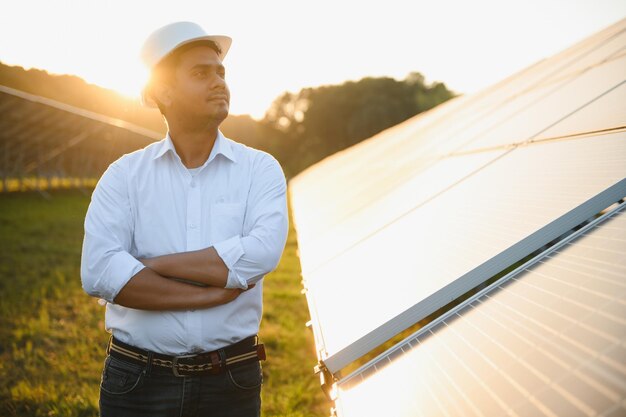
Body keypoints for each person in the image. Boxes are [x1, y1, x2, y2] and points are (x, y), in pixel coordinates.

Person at [80, 21, 289, 417]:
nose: (219, 81)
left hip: (231, 380)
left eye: (220, 71)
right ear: (163, 91)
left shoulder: (260, 169)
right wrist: (209, 294)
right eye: (201, 73)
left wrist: (146, 267)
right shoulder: (123, 176)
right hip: (137, 382)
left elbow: (260, 254)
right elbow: (98, 272)